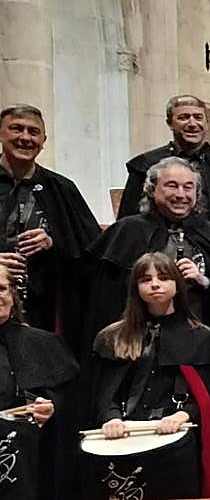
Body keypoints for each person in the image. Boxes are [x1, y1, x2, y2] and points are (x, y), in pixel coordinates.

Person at [91, 253, 210, 499]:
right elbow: (105, 390)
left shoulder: (201, 337)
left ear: (177, 284)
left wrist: (183, 415)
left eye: (163, 277)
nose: (154, 284)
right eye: (146, 279)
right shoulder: (113, 337)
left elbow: (207, 393)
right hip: (126, 434)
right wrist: (111, 417)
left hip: (175, 435)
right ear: (135, 287)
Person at [84, 158, 210, 351]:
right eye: (172, 186)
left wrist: (204, 281)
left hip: (198, 345)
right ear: (152, 190)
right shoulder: (128, 231)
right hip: (138, 345)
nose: (181, 194)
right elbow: (105, 297)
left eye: (188, 187)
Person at [0, 103, 99, 353]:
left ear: (44, 140)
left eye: (33, 132)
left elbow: (92, 250)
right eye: (16, 129)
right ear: (1, 134)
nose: (25, 137)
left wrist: (54, 242)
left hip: (46, 308)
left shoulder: (61, 188)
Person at [116, 95, 210, 233]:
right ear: (170, 123)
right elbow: (127, 228)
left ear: (207, 123)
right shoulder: (145, 165)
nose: (192, 124)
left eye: (198, 117)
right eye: (183, 117)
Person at [0, 264, 77, 500]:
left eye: (1, 289)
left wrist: (50, 405)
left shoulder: (43, 343)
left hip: (31, 460)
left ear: (13, 295)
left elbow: (69, 399)